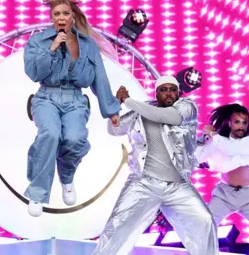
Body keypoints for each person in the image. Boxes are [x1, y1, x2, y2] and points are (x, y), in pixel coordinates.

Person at [92, 76, 218, 255]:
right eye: (163, 89)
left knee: (205, 221)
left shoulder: (187, 107)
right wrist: (116, 105)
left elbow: (167, 117)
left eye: (172, 89)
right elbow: (115, 129)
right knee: (117, 227)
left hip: (178, 186)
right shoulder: (140, 111)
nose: (169, 93)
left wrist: (128, 100)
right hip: (144, 184)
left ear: (178, 92)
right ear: (156, 92)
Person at [23, 0, 120, 217]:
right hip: (47, 96)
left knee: (75, 139)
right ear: (51, 17)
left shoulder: (87, 45)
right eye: (56, 14)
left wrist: (111, 109)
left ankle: (66, 177)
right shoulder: (38, 41)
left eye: (65, 13)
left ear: (72, 15)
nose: (61, 18)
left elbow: (100, 78)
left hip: (75, 98)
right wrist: (53, 47)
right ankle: (37, 193)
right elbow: (34, 73)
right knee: (50, 134)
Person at [196, 103, 249, 255]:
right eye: (237, 122)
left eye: (244, 122)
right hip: (224, 195)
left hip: (248, 196)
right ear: (229, 123)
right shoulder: (219, 142)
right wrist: (203, 139)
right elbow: (198, 157)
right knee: (205, 227)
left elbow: (231, 150)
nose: (241, 126)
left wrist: (213, 136)